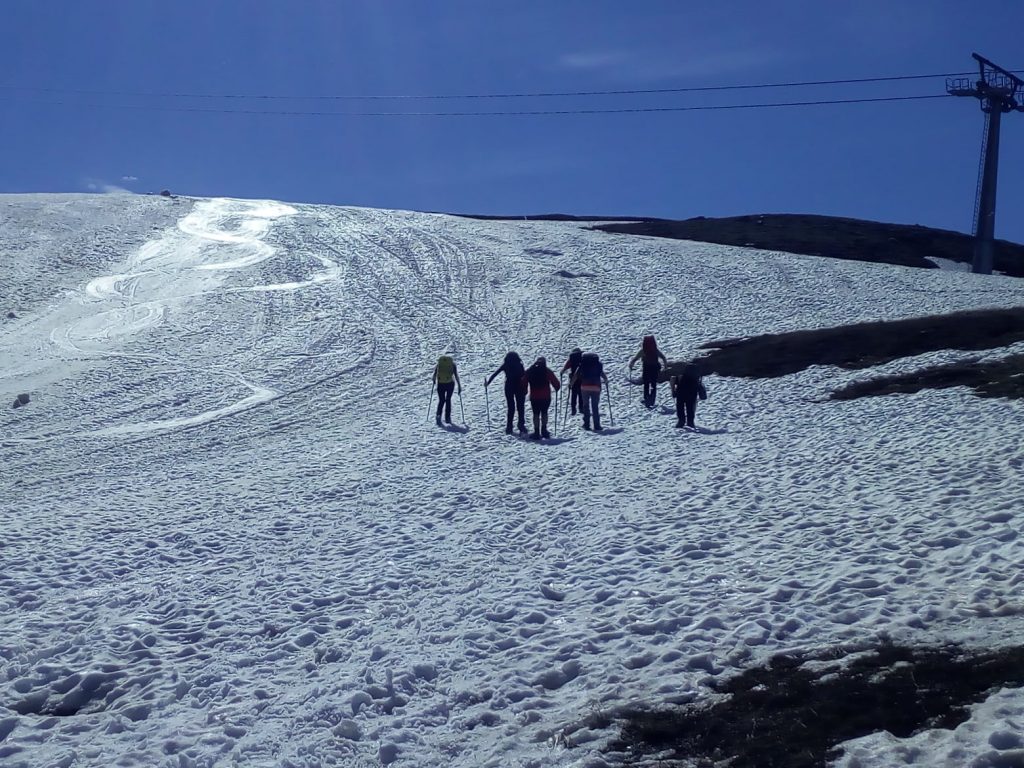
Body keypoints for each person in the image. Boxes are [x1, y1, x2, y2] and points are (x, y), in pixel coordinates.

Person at [485, 351, 527, 435]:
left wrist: (488, 383)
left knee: (510, 407)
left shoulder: (506, 365)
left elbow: (495, 374)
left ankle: (509, 427)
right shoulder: (520, 365)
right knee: (520, 407)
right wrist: (525, 389)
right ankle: (521, 425)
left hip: (509, 387)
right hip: (519, 387)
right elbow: (524, 377)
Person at [522, 356, 561, 439]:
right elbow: (556, 383)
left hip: (534, 397)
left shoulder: (531, 371)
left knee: (535, 414)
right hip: (546, 396)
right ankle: (544, 431)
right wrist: (557, 387)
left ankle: (536, 432)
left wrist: (525, 390)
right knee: (544, 413)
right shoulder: (547, 371)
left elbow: (524, 380)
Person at [572, 352, 609, 431]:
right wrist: (606, 380)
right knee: (595, 406)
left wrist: (571, 384)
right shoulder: (598, 364)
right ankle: (597, 425)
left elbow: (576, 375)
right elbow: (602, 373)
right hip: (596, 387)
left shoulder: (582, 364)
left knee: (586, 406)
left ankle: (587, 424)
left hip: (585, 387)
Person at [629, 334, 668, 408]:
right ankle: (652, 400)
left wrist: (631, 364)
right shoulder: (655, 350)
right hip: (654, 369)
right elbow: (663, 357)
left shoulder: (643, 351)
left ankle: (646, 399)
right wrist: (665, 366)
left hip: (646, 369)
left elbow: (635, 358)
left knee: (646, 384)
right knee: (653, 384)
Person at [671, 363, 707, 429]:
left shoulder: (681, 377)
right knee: (690, 408)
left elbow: (672, 379)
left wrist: (673, 391)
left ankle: (681, 421)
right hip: (692, 395)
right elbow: (700, 389)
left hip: (680, 394)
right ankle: (690, 422)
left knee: (680, 407)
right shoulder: (696, 380)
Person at [432, 354, 461, 424]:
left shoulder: (439, 364)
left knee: (441, 400)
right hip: (450, 384)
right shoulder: (452, 364)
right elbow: (456, 375)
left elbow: (434, 375)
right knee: (448, 399)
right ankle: (447, 417)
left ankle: (438, 414)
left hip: (441, 384)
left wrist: (434, 380)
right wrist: (459, 386)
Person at [560, 347, 584, 416]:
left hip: (573, 378)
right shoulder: (583, 357)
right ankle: (581, 408)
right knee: (581, 394)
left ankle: (573, 409)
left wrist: (562, 372)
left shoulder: (572, 357)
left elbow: (566, 367)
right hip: (582, 378)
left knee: (574, 394)